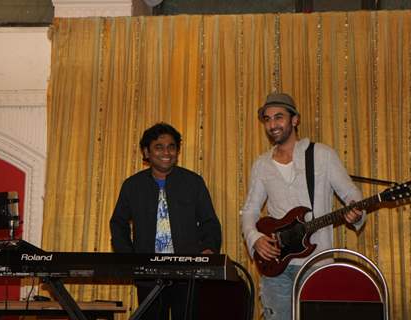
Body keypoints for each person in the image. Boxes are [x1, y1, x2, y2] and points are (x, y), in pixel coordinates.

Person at [241, 92, 365, 320]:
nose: (272, 124)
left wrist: (355, 214)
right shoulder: (261, 165)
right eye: (267, 119)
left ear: (294, 120)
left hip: (316, 260)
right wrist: (255, 238)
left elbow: (350, 194)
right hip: (275, 264)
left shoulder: (322, 155)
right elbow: (250, 210)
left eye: (278, 117)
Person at [110, 122, 222, 320]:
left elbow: (210, 222)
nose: (166, 152)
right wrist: (128, 257)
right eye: (158, 147)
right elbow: (118, 223)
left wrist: (209, 250)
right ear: (146, 152)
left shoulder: (193, 182)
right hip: (148, 275)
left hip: (188, 275)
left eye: (172, 147)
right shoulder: (132, 185)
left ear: (177, 151)